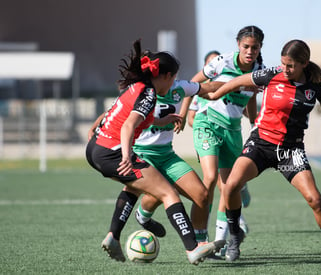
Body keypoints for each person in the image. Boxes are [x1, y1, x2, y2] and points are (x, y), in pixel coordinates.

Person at [202, 39, 321, 262]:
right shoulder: (271, 74)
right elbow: (238, 81)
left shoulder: (316, 85)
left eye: (290, 66)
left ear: (304, 64)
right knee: (230, 186)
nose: (285, 69)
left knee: (315, 200)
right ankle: (234, 239)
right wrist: (215, 94)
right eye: (283, 64)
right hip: (261, 144)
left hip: (290, 151)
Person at [85, 39, 224, 265]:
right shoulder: (149, 93)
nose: (173, 84)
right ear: (166, 76)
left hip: (96, 150)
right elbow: (129, 125)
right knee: (169, 194)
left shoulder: (137, 87)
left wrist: (163, 121)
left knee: (143, 188)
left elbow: (128, 115)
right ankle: (193, 249)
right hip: (112, 150)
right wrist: (126, 156)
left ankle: (113, 236)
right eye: (173, 78)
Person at [188, 26, 265, 252]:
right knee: (210, 179)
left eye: (255, 47)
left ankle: (220, 242)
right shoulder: (223, 62)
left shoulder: (260, 69)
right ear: (238, 45)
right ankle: (200, 239)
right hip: (208, 122)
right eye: (246, 46)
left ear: (261, 47)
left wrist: (253, 125)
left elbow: (251, 97)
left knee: (228, 188)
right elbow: (194, 81)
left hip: (233, 131)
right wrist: (184, 113)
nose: (250, 51)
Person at [133, 77, 224, 243]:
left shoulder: (179, 87)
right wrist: (97, 125)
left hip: (167, 155)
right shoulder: (139, 89)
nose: (174, 78)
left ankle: (201, 242)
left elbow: (209, 86)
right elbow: (116, 110)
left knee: (202, 195)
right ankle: (143, 216)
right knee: (161, 194)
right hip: (142, 154)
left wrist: (240, 84)